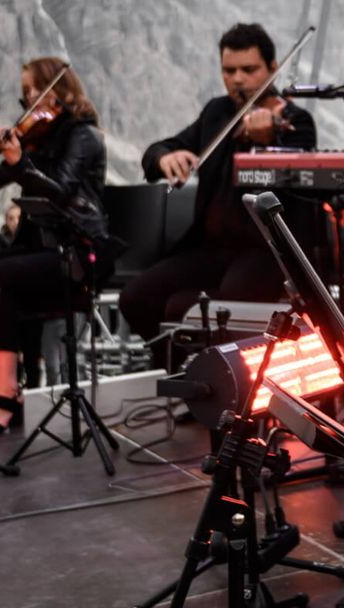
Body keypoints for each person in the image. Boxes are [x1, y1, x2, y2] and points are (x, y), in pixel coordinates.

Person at [118, 22, 316, 367]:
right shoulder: (216, 113)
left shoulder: (296, 121)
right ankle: (181, 372)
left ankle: (235, 382)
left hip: (265, 250)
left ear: (272, 68)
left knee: (227, 302)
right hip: (210, 249)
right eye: (229, 71)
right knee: (136, 297)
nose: (237, 79)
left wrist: (271, 139)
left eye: (249, 70)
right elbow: (158, 150)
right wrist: (165, 157)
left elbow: (297, 175)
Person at [0, 58, 109, 436]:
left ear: (60, 90)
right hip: (35, 248)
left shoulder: (84, 136)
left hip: (75, 252)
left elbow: (62, 190)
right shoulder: (36, 138)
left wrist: (21, 162)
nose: (29, 99)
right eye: (25, 92)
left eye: (36, 90)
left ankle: (8, 389)